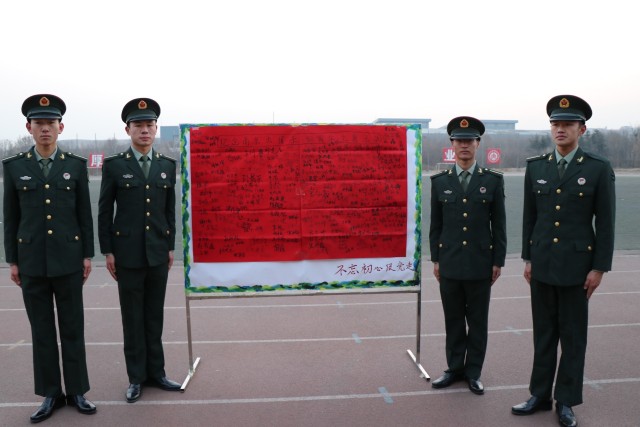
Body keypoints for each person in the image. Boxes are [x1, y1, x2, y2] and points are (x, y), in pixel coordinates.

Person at [512, 95, 616, 427]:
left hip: (576, 268)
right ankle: (539, 395)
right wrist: (528, 257)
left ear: (581, 129)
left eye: (567, 124)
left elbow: (607, 223)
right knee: (543, 333)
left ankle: (566, 401)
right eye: (555, 124)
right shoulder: (536, 166)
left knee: (572, 337)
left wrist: (599, 268)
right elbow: (530, 218)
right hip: (541, 265)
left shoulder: (597, 168)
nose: (560, 129)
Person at [3, 94, 96, 423]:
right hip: (31, 263)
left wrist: (88, 255)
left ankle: (77, 390)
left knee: (72, 328)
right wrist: (12, 260)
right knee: (42, 331)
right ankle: (50, 394)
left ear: (61, 127)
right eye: (39, 123)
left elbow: (85, 214)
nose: (45, 129)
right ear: (29, 127)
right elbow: (10, 218)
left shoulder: (74, 165)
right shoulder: (15, 167)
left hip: (69, 261)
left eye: (51, 123)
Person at [98, 97, 180, 403]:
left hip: (158, 253)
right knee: (132, 317)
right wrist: (108, 250)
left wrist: (169, 247)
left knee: (154, 316)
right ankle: (136, 377)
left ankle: (156, 373)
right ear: (127, 129)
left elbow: (169, 211)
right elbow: (105, 212)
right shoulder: (115, 166)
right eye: (138, 125)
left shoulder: (166, 166)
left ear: (156, 129)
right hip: (128, 254)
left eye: (149, 125)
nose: (144, 130)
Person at [429, 116, 507, 395]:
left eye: (469, 141)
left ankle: (473, 371)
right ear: (452, 145)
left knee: (477, 322)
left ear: (477, 144)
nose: (464, 146)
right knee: (452, 320)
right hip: (449, 263)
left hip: (479, 264)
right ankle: (453, 368)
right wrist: (435, 259)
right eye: (459, 141)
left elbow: (498, 225)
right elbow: (435, 226)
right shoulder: (439, 182)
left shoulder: (492, 181)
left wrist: (498, 261)